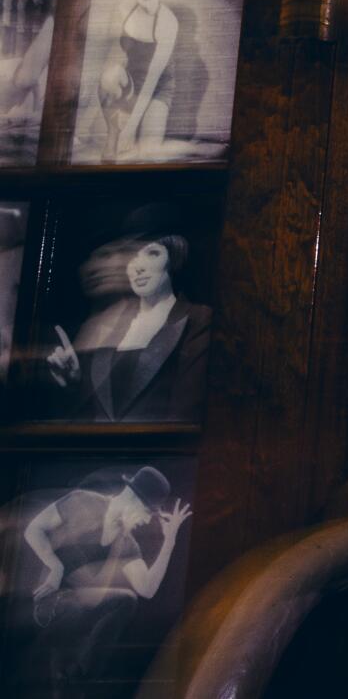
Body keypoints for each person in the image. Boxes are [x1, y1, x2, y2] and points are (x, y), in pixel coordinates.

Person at [19, 465, 191, 697]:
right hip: (47, 601)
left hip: (79, 613)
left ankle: (79, 675)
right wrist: (54, 566)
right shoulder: (83, 502)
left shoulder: (127, 543)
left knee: (127, 600)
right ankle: (70, 676)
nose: (148, 521)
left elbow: (147, 589)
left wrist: (169, 542)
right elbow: (34, 529)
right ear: (132, 498)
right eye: (148, 512)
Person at [46, 221, 210, 421]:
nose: (139, 267)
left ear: (174, 258)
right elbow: (93, 416)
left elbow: (187, 413)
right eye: (133, 257)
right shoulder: (112, 325)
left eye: (152, 253)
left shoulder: (196, 318)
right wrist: (74, 383)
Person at [96, 0, 181, 161]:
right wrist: (123, 99)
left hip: (158, 87)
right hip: (132, 80)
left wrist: (132, 127)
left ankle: (198, 151)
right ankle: (113, 133)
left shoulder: (168, 22)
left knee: (149, 154)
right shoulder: (126, 8)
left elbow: (152, 78)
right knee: (109, 75)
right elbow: (117, 54)